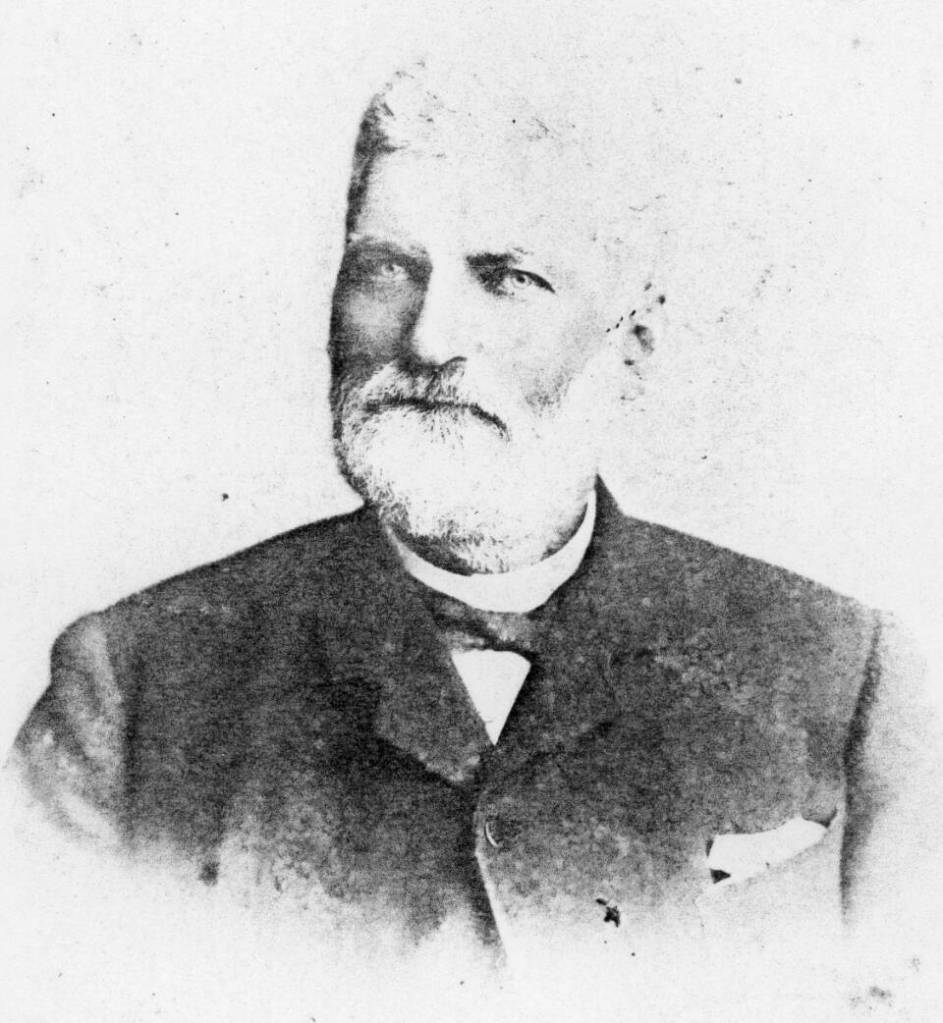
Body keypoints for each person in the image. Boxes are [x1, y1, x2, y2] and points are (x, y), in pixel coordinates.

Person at [8, 63, 941, 1017]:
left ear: (629, 349)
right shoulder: (134, 682)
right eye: (386, 269)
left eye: (508, 280)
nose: (428, 338)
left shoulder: (843, 673)